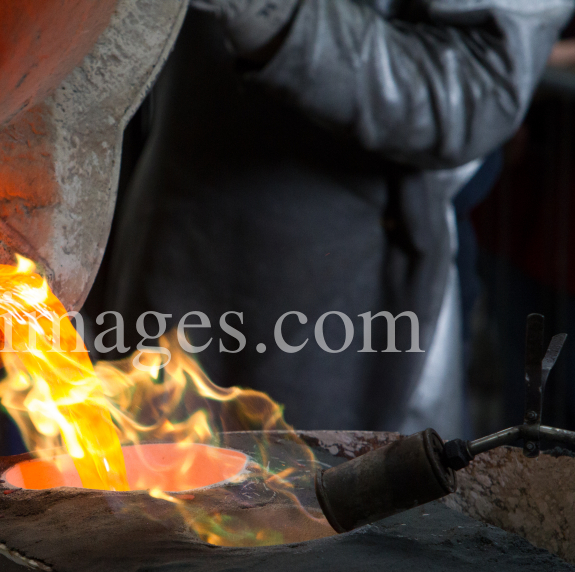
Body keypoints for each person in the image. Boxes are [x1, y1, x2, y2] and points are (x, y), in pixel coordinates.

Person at [98, 0, 574, 439]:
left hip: (345, 322)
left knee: (330, 516)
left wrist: (274, 16)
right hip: (164, 255)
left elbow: (481, 84)